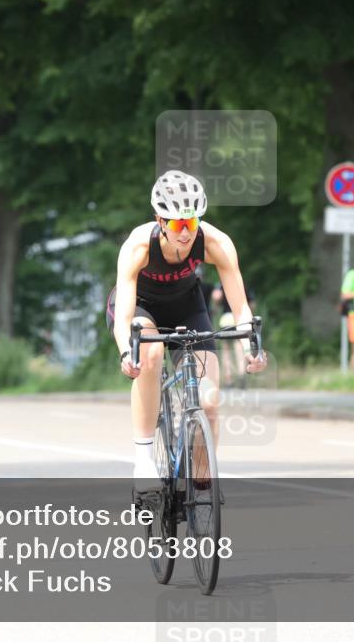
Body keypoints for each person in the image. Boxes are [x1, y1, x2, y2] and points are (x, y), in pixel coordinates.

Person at [105, 170, 267, 490]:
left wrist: (252, 347)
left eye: (191, 223)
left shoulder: (216, 243)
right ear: (160, 220)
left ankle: (198, 480)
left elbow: (241, 309)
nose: (185, 233)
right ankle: (144, 461)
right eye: (178, 224)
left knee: (210, 400)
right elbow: (124, 317)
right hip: (141, 307)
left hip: (186, 305)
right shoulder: (138, 246)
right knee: (150, 354)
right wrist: (127, 351)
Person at [211, 282, 257, 388]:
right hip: (239, 319)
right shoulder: (244, 286)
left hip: (226, 319)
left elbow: (216, 298)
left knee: (226, 350)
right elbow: (252, 305)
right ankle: (241, 374)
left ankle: (228, 379)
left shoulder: (221, 284)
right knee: (239, 348)